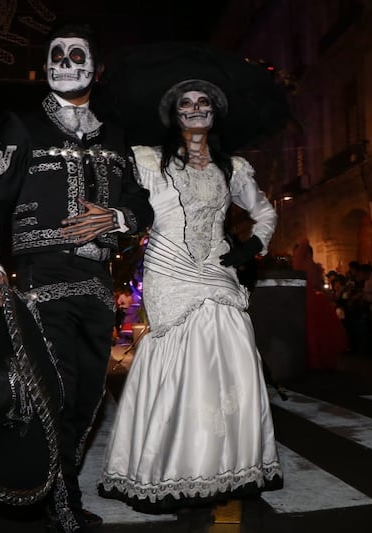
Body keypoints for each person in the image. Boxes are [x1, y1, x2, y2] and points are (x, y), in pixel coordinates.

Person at [0, 23, 154, 533]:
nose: (65, 61)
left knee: (88, 394)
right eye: (57, 54)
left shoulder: (116, 134)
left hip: (97, 283)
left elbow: (140, 202)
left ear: (95, 69)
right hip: (41, 277)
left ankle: (55, 480)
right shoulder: (23, 125)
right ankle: (62, 498)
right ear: (47, 65)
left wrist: (117, 219)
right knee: (57, 386)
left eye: (77, 54)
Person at [98, 78, 283, 512]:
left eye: (204, 103)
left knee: (231, 342)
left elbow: (264, 211)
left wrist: (252, 247)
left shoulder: (232, 167)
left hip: (217, 267)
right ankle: (167, 467)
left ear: (214, 114)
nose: (196, 109)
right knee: (178, 356)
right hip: (169, 268)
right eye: (187, 103)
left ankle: (233, 464)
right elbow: (128, 206)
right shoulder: (146, 160)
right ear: (175, 114)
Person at [291, 239, 348, 368]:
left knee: (311, 330)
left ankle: (311, 360)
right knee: (317, 331)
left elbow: (314, 284)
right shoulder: (312, 266)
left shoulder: (303, 266)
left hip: (307, 300)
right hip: (312, 300)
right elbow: (318, 285)